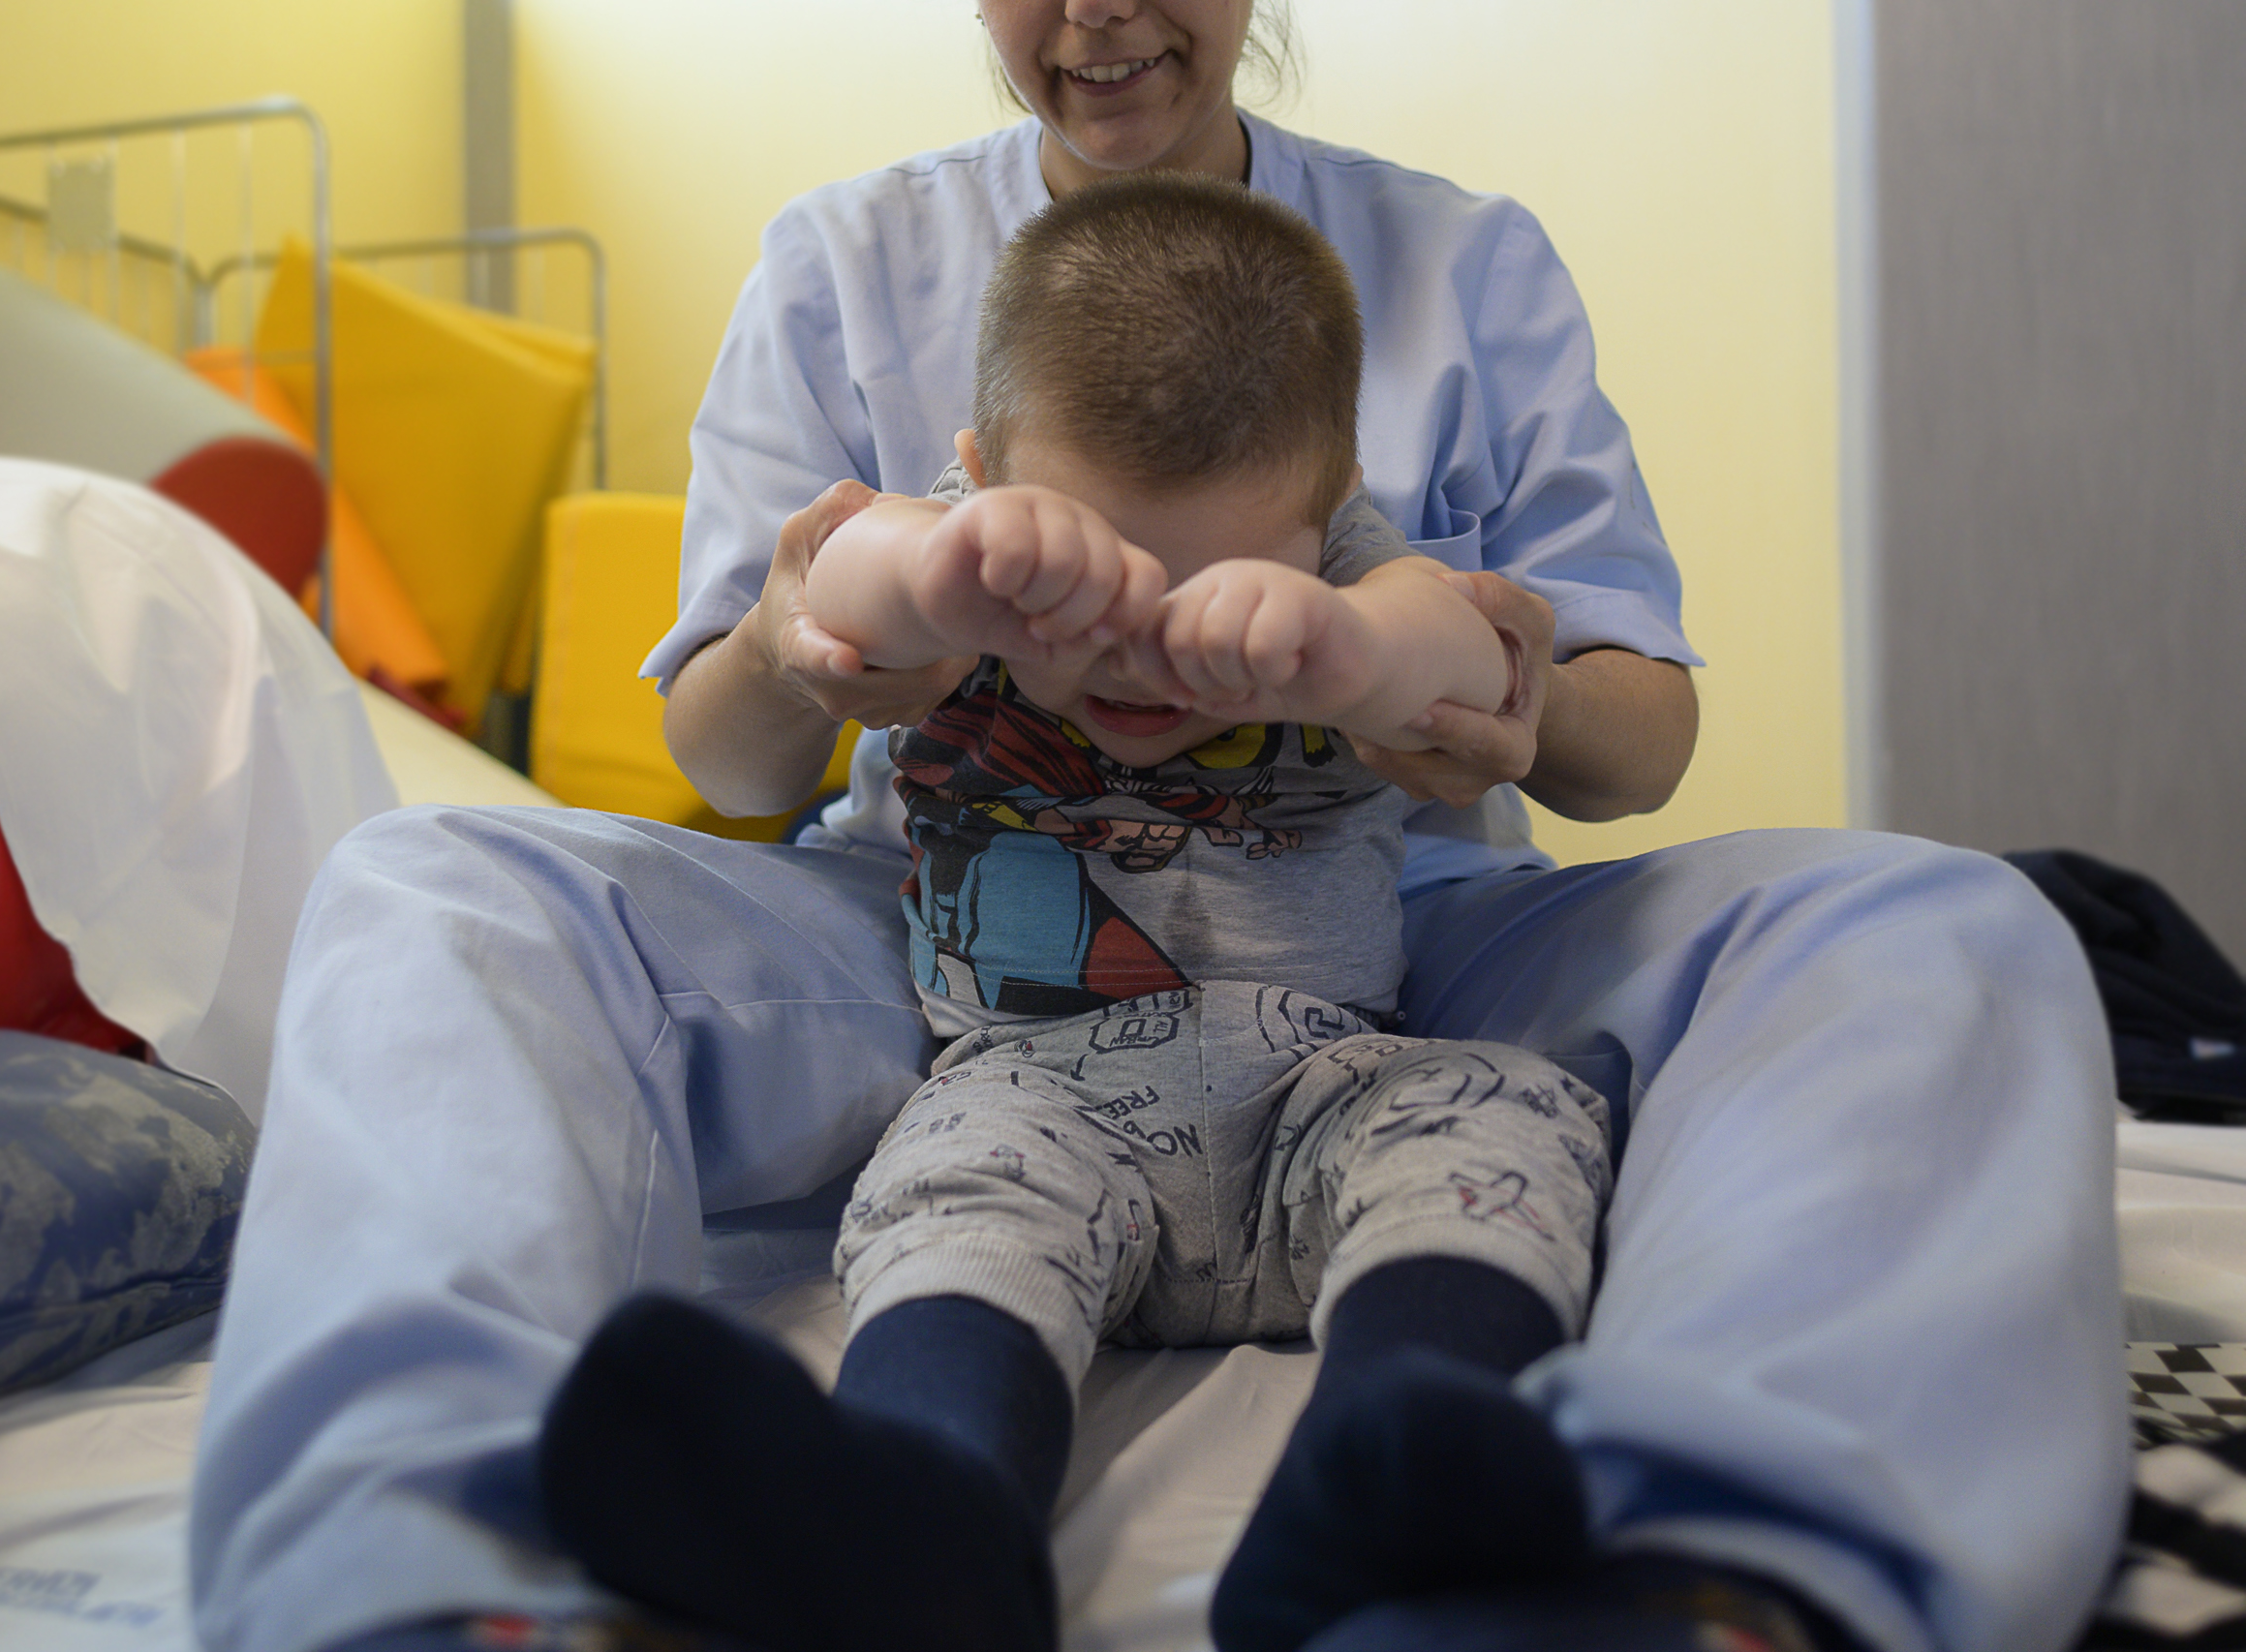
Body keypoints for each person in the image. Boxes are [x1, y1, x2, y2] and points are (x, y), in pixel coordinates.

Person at [189, 4, 2128, 1651]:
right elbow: (740, 756)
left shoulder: (1457, 266)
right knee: (428, 881)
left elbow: (1642, 744)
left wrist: (1450, 685)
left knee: (1941, 923)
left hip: (1397, 955)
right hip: (943, 947)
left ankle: (1710, 1575)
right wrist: (827, 637)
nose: (1098, 12)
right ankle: (434, 1581)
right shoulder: (851, 262)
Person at [534, 174, 1616, 1652]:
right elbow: (846, 578)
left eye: (1217, 579)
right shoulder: (947, 552)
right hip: (1031, 1093)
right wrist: (948, 563)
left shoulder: (1356, 578)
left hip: (1325, 1080)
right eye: (1092, 568)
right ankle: (935, 1523)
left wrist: (1348, 642)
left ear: (1323, 521)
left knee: (1509, 1107)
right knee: (944, 1205)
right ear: (983, 473)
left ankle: (1382, 1474)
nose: (1146, 645)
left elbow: (1471, 652)